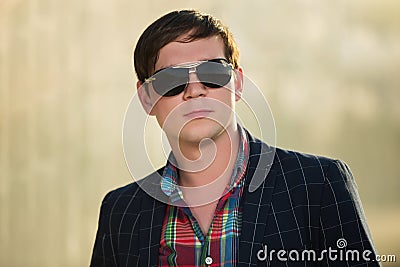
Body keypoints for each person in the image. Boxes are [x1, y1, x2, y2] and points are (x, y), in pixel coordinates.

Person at [90, 9, 380, 267]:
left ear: (237, 83)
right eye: (171, 80)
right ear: (146, 98)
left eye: (212, 71)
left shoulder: (318, 185)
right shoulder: (120, 212)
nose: (195, 90)